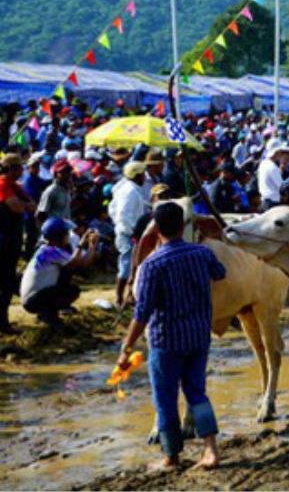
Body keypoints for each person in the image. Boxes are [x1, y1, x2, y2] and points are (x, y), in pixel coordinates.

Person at [118, 202, 226, 471]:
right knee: (197, 393)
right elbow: (220, 273)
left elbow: (142, 312)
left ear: (155, 231)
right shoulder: (201, 253)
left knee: (165, 398)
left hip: (166, 340)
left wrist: (127, 346)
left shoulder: (152, 265)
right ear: (183, 226)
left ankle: (171, 457)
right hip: (199, 335)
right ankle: (210, 450)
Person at [20, 216, 100, 325]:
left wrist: (87, 245)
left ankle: (48, 314)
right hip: (33, 300)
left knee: (65, 281)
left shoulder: (48, 249)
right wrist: (89, 245)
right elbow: (78, 263)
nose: (68, 236)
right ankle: (47, 316)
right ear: (58, 236)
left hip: (33, 298)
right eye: (66, 234)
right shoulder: (51, 251)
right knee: (71, 291)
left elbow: (76, 262)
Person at [0, 153, 36, 334]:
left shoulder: (13, 186)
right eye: (19, 167)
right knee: (4, 282)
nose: (23, 170)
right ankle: (3, 323)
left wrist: (26, 203)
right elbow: (19, 207)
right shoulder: (3, 185)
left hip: (11, 239)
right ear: (12, 169)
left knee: (7, 281)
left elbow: (30, 204)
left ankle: (3, 320)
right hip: (3, 240)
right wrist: (26, 204)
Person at [110, 160, 149, 308]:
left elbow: (112, 209)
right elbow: (123, 214)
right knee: (126, 266)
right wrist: (133, 232)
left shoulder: (129, 189)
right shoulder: (130, 191)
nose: (145, 177)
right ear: (137, 175)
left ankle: (131, 296)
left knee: (135, 266)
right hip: (128, 234)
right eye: (143, 174)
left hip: (129, 232)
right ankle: (119, 298)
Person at [256, 141, 289, 210]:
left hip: (265, 201)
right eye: (281, 152)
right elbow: (282, 186)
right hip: (272, 203)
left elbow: (272, 180)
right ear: (276, 152)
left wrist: (280, 170)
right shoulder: (272, 167)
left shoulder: (263, 163)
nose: (281, 155)